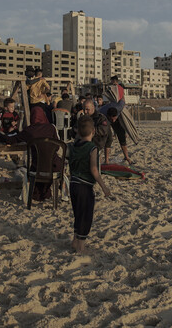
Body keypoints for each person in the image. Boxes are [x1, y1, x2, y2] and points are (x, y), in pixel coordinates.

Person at [68, 115, 112, 254]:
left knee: (78, 214)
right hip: (84, 186)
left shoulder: (74, 145)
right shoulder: (92, 148)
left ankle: (75, 241)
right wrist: (104, 187)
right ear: (93, 131)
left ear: (78, 132)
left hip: (73, 184)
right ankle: (81, 246)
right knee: (86, 216)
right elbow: (94, 169)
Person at [14, 106, 62, 201]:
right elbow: (57, 147)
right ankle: (46, 193)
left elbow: (11, 140)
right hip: (54, 166)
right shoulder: (51, 128)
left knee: (37, 166)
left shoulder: (29, 130)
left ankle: (38, 194)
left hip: (37, 168)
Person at [83, 99, 112, 163]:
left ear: (93, 107)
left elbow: (103, 130)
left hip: (96, 142)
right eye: (84, 109)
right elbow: (75, 129)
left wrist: (88, 131)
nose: (85, 112)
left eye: (87, 109)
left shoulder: (100, 118)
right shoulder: (83, 118)